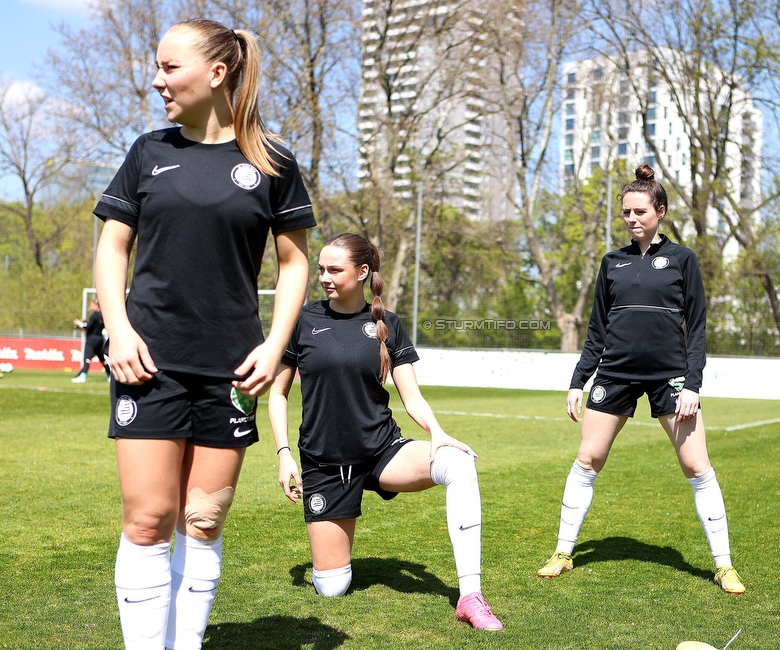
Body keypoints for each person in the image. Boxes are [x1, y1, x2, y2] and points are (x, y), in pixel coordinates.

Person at [93, 19, 315, 650]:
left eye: (170, 67)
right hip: (149, 361)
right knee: (147, 518)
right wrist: (120, 330)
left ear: (216, 74)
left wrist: (275, 346)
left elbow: (296, 262)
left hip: (233, 370)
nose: (157, 80)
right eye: (158, 68)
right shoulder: (148, 152)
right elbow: (113, 247)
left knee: (203, 519)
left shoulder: (271, 161)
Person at [268, 233, 503, 631]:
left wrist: (438, 432)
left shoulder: (387, 324)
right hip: (326, 465)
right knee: (332, 588)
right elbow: (277, 393)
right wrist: (284, 453)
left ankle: (470, 596)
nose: (324, 277)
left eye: (334, 270)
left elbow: (411, 396)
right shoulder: (303, 319)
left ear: (362, 272)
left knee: (458, 464)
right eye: (321, 269)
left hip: (382, 451)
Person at [536, 164, 744, 595]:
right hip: (614, 373)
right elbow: (597, 328)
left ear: (660, 212)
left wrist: (693, 384)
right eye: (626, 212)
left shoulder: (683, 259)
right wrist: (579, 380)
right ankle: (562, 551)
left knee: (696, 465)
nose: (631, 218)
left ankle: (723, 565)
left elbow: (698, 327)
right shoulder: (611, 262)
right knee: (588, 459)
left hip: (671, 376)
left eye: (639, 211)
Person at [72, 298, 111, 383]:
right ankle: (110, 375)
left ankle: (83, 376)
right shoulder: (103, 315)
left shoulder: (94, 315)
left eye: (92, 305)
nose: (90, 307)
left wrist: (81, 326)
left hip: (91, 340)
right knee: (102, 359)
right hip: (100, 340)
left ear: (96, 305)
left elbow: (89, 327)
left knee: (87, 358)